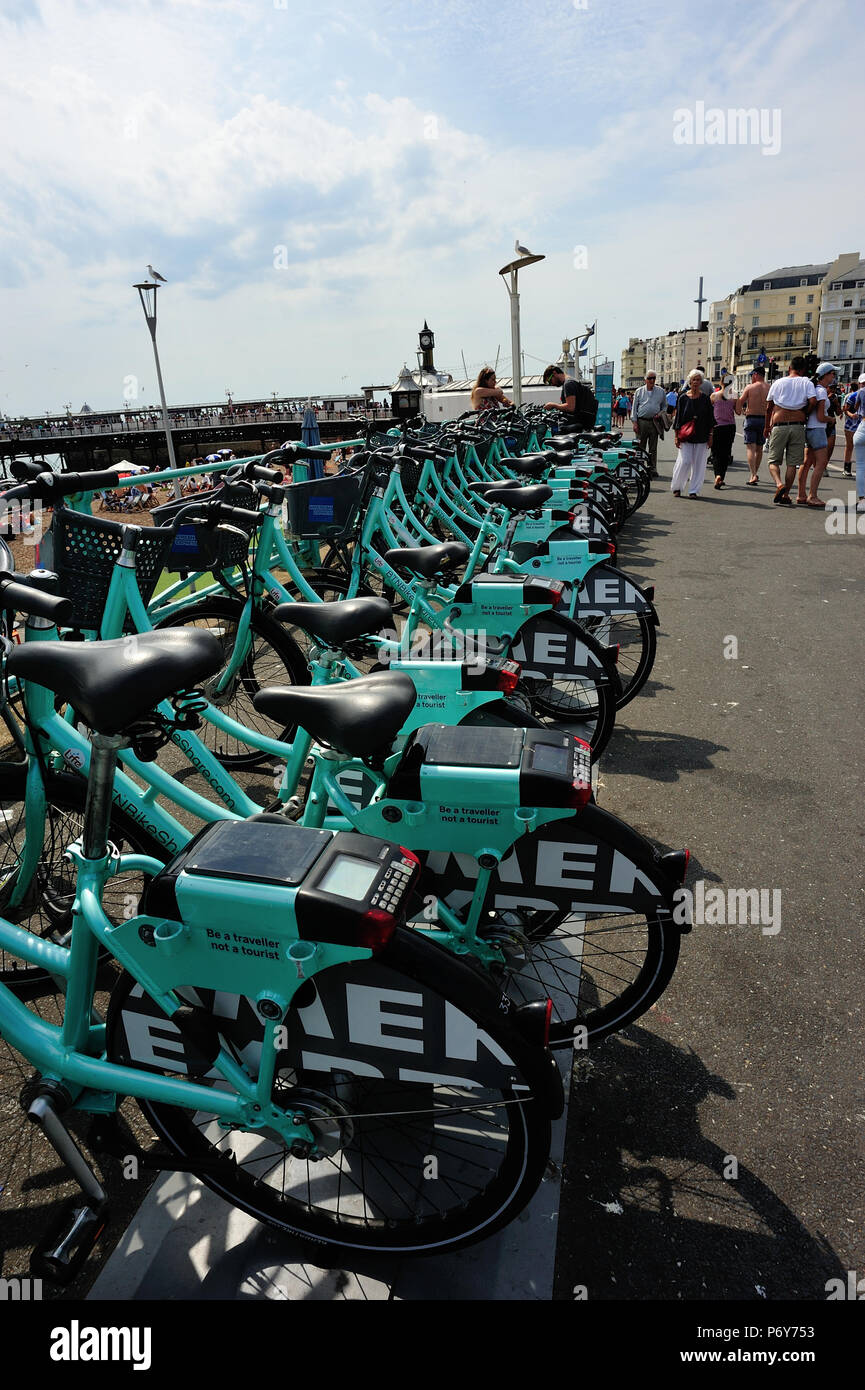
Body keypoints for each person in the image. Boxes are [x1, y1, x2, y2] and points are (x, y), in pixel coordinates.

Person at [764, 356, 816, 506]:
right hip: (798, 425)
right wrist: (805, 412)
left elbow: (768, 407)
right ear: (803, 370)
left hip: (780, 425)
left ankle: (779, 484)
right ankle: (786, 494)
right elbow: (812, 401)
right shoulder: (806, 382)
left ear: (789, 368)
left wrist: (767, 426)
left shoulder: (778, 383)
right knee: (792, 463)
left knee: (773, 461)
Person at [796, 363, 836, 508]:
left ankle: (801, 494)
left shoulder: (814, 389)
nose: (834, 377)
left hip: (810, 428)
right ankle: (812, 495)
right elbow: (820, 416)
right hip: (818, 429)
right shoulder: (822, 391)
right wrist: (830, 419)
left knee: (806, 463)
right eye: (833, 374)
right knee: (821, 463)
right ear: (826, 375)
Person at [671, 369, 714, 497]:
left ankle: (694, 490)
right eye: (693, 379)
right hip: (685, 434)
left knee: (699, 464)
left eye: (698, 380)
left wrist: (711, 436)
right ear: (689, 381)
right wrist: (676, 436)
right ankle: (677, 486)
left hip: (701, 434)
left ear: (701, 382)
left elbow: (710, 418)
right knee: (684, 461)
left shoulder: (705, 399)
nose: (695, 382)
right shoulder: (683, 398)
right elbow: (678, 418)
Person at [629, 371, 668, 478]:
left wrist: (660, 414)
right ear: (645, 379)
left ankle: (652, 468)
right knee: (640, 447)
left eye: (654, 378)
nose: (652, 381)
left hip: (654, 422)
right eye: (650, 378)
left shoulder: (661, 391)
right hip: (642, 422)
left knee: (653, 447)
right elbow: (634, 408)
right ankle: (640, 468)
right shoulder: (639, 391)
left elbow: (665, 406)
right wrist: (635, 422)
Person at [735, 366, 770, 484]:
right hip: (764, 420)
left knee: (751, 447)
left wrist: (739, 411)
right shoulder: (769, 388)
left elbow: (740, 401)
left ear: (755, 374)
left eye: (751, 375)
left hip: (751, 419)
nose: (751, 378)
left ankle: (753, 474)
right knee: (759, 448)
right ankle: (755, 473)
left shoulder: (750, 387)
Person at [542, 364, 598, 430]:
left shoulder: (568, 384)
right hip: (586, 422)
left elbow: (570, 407)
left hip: (576, 423)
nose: (551, 384)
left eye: (550, 381)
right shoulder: (573, 381)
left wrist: (553, 405)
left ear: (554, 373)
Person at [709, 378, 738, 488]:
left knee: (716, 452)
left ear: (721, 383)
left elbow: (708, 410)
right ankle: (722, 476)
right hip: (730, 427)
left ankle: (717, 475)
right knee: (726, 452)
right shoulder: (734, 395)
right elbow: (739, 411)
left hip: (717, 426)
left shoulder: (714, 396)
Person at [851, 373, 865, 513]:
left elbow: (856, 407)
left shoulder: (861, 391)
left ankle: (862, 501)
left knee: (861, 466)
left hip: (863, 426)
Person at [842, 383, 859, 476]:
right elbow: (845, 409)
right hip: (851, 424)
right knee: (850, 446)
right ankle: (847, 467)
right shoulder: (852, 396)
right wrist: (851, 415)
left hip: (862, 424)